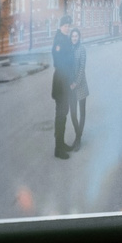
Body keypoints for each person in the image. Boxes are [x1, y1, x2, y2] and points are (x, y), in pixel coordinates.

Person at [50, 22, 88, 158]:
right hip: (63, 86)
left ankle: (63, 144)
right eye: (65, 26)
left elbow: (81, 68)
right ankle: (58, 149)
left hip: (72, 86)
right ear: (60, 27)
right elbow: (59, 63)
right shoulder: (60, 42)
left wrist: (73, 83)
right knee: (62, 116)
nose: (67, 28)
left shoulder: (74, 46)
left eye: (68, 26)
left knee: (64, 114)